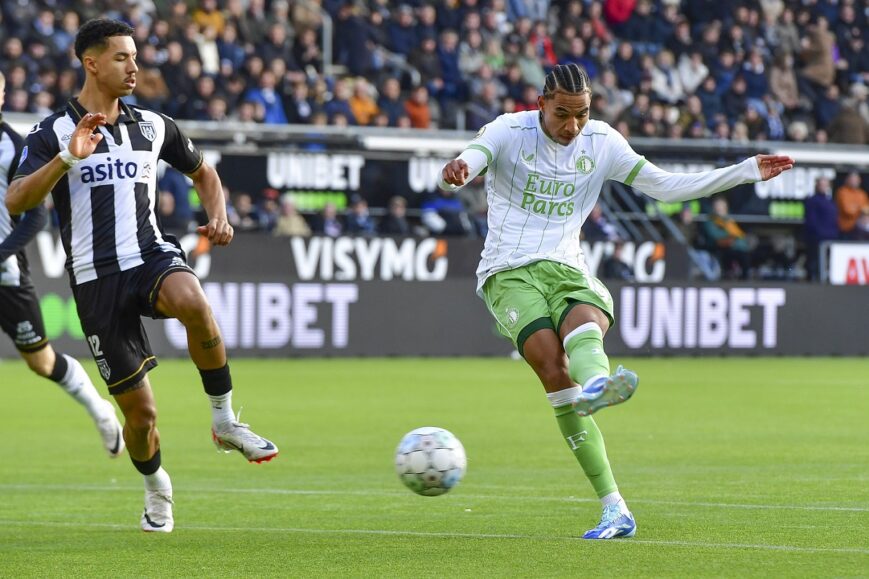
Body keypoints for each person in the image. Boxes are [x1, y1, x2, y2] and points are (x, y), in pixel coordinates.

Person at [439, 63, 793, 540]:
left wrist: (745, 171)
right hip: (508, 271)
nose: (573, 125)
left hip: (567, 266)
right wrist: (455, 174)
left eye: (582, 113)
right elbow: (469, 162)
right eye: (563, 114)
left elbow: (667, 187)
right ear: (541, 104)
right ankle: (610, 488)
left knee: (586, 324)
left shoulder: (601, 142)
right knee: (550, 364)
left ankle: (602, 409)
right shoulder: (508, 130)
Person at [5, 19, 278, 534]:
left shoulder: (153, 125)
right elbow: (16, 198)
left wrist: (218, 214)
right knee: (141, 417)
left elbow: (204, 172)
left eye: (135, 56)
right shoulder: (52, 133)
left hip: (149, 254)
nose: (134, 67)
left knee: (193, 301)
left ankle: (224, 421)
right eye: (121, 58)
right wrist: (66, 159)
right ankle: (157, 487)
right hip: (95, 279)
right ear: (90, 63)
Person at [0, 71, 125, 460]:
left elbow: (35, 218)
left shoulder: (12, 148)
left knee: (41, 360)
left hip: (6, 276)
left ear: (3, 94)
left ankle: (100, 410)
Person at [803, 177, 840, 281]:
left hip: (831, 238)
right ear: (817, 186)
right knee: (815, 263)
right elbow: (811, 221)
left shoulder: (830, 201)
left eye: (825, 185)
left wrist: (834, 234)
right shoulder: (812, 201)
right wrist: (820, 234)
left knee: (830, 264)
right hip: (817, 239)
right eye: (821, 184)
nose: (824, 187)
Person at [834, 172, 869, 240]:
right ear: (847, 180)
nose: (854, 181)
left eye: (856, 180)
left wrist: (857, 208)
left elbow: (867, 210)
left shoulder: (862, 194)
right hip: (846, 228)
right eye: (852, 179)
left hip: (860, 229)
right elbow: (848, 210)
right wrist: (861, 209)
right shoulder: (842, 192)